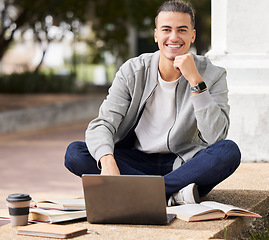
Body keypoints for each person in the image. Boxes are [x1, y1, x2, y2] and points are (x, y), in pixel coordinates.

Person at [65, 0, 241, 206]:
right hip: (134, 161)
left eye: (182, 30)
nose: (174, 37)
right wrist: (108, 161)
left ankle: (143, 191)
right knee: (75, 153)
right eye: (166, 29)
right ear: (156, 34)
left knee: (229, 151)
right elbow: (103, 124)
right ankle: (173, 194)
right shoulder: (133, 71)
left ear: (192, 35)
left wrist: (196, 81)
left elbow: (216, 136)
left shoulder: (213, 74)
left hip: (183, 163)